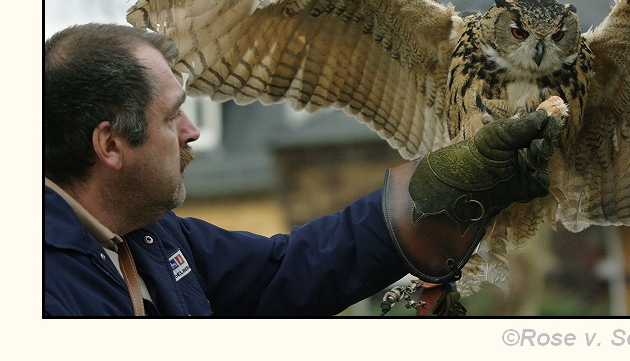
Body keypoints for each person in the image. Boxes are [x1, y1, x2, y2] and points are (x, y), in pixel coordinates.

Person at [44, 22, 561, 316]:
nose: (192, 130)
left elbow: (289, 271)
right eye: (171, 115)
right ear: (111, 145)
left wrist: (440, 191)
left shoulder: (156, 237)